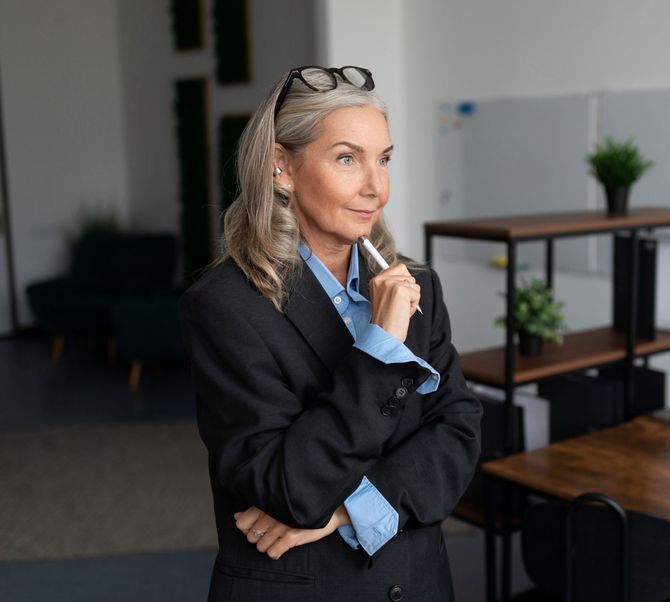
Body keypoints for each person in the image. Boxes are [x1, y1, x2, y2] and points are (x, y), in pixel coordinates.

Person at [180, 65, 482, 601]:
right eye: (348, 158)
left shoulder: (418, 287)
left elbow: (458, 433)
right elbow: (289, 488)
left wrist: (348, 508)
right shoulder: (226, 307)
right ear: (282, 166)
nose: (377, 187)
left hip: (418, 582)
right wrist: (381, 347)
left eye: (384, 160)